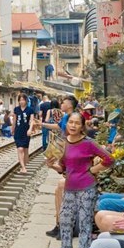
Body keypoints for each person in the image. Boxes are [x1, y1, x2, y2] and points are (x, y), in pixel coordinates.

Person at [46, 112, 113, 248]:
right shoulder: (62, 142)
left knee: (84, 221)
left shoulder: (89, 143)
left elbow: (109, 159)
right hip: (69, 187)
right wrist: (51, 165)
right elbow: (63, 167)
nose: (73, 126)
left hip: (87, 188)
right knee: (65, 219)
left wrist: (92, 170)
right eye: (70, 122)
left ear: (82, 126)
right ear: (67, 124)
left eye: (77, 123)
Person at [42, 95, 78, 239]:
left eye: (64, 102)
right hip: (65, 154)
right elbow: (58, 128)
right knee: (58, 190)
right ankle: (59, 225)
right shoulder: (64, 117)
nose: (61, 104)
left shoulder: (73, 118)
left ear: (70, 104)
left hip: (70, 157)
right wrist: (42, 124)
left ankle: (64, 226)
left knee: (61, 189)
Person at [12, 94, 35, 173]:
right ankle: (23, 167)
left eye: (23, 100)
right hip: (18, 131)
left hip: (26, 132)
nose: (22, 101)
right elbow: (14, 120)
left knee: (25, 150)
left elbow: (32, 121)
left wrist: (30, 129)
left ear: (26, 101)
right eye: (20, 100)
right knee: (20, 149)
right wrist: (12, 129)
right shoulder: (16, 109)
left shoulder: (30, 110)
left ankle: (23, 167)